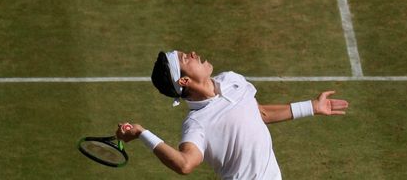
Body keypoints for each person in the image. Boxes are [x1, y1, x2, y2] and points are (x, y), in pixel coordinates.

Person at [116, 50, 349, 179]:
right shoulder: (197, 124)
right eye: (187, 58)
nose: (194, 53)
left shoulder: (232, 80)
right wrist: (141, 133)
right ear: (184, 80)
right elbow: (185, 164)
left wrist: (311, 107)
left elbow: (259, 113)